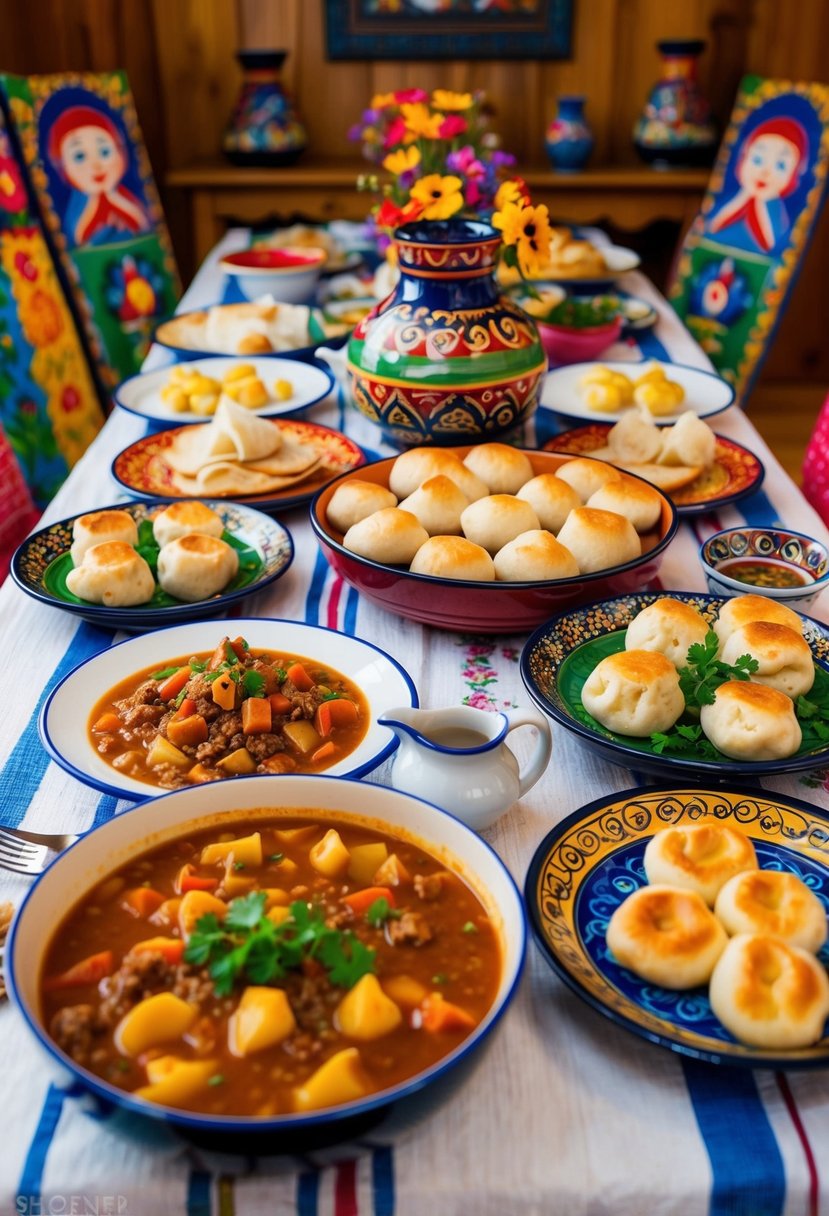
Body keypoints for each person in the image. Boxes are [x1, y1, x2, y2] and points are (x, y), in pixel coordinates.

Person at [47, 104, 148, 246]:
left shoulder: (132, 203)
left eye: (105, 152)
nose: (96, 166)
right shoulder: (77, 214)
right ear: (61, 165)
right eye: (80, 156)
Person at [707, 115, 808, 254]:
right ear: (743, 158)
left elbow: (773, 245)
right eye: (757, 160)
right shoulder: (729, 200)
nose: (765, 172)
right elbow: (710, 227)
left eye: (780, 166)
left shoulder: (775, 213)